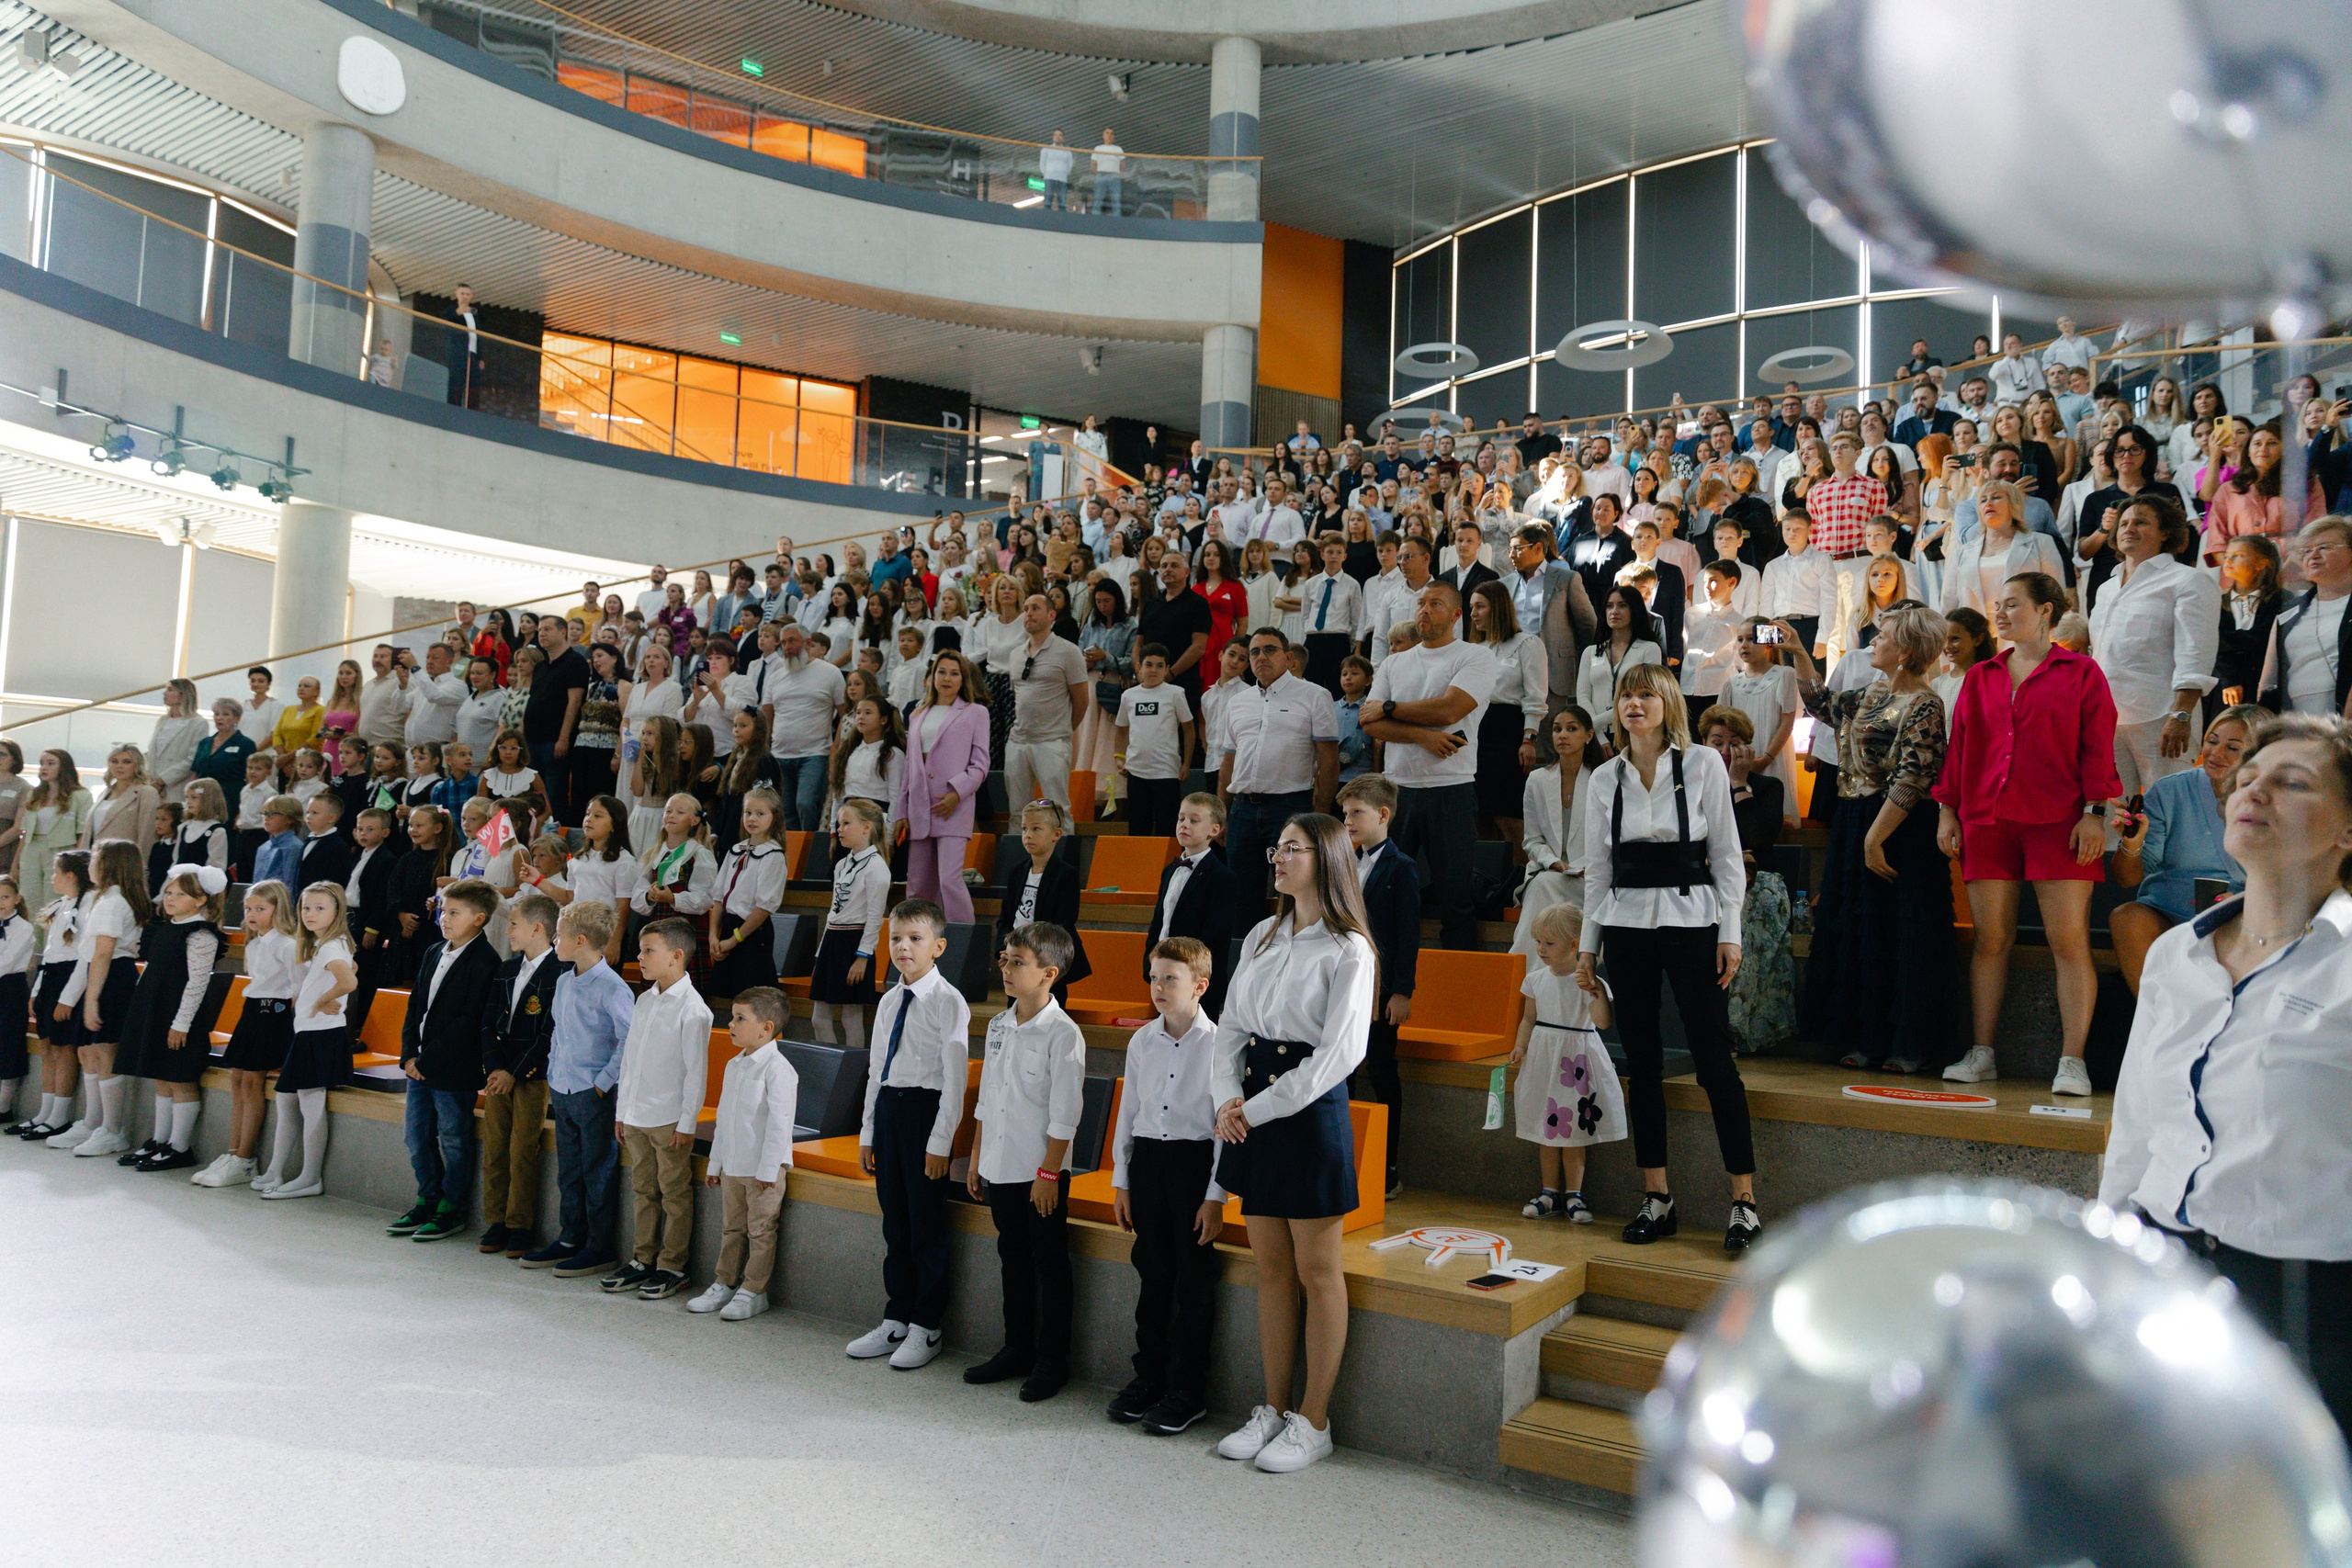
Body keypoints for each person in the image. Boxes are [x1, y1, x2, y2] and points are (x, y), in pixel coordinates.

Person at [2100, 712, 2352, 1438]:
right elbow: (2137, 1129)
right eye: (2248, 778)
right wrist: (2110, 1253)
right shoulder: (2176, 953)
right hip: (2163, 1274)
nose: (2254, 791)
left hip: (2304, 1300)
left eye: (2292, 781)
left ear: (2347, 830)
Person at [1209, 813, 1375, 1474]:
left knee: (1317, 1271)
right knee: (1272, 1269)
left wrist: (1253, 1109)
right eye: (1276, 847)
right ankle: (1274, 1408)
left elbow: (1339, 1053)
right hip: (1249, 1107)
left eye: (1292, 848)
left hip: (1305, 1112)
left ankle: (1315, 1418)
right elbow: (1229, 1026)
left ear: (1326, 858)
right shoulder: (1262, 933)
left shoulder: (1349, 948)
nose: (1276, 857)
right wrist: (1227, 1097)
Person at [1577, 664, 1759, 1252]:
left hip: (1693, 921)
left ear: (1668, 703)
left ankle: (1744, 1202)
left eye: (1645, 695)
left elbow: (1726, 856)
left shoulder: (1703, 763)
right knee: (1643, 1063)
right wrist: (1588, 945)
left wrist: (1730, 932)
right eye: (1625, 696)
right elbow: (1598, 869)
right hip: (1626, 924)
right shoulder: (1603, 777)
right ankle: (1656, 1197)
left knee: (1713, 1060)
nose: (1634, 705)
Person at [1934, 571, 2121, 1096]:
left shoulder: (2082, 671)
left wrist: (2094, 812)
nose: (2000, 613)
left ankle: (2072, 1061)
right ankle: (1982, 1053)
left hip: (2060, 820)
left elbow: (2098, 745)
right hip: (1987, 817)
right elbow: (1961, 746)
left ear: (2045, 611)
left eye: (2013, 604)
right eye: (1999, 605)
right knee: (1991, 940)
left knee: (2069, 941)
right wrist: (1947, 810)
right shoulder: (1981, 676)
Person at [1777, 605, 1954, 1071]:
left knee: (1900, 930)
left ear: (1907, 650)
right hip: (1855, 818)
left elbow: (1914, 776)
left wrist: (1874, 840)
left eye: (1883, 636)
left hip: (1899, 826)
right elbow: (1822, 706)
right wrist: (1799, 653)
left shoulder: (1925, 703)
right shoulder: (1873, 691)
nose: (1873, 642)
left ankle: (1907, 1044)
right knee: (1859, 930)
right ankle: (1864, 1036)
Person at [961, 920, 1087, 1403]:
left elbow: (1065, 1113)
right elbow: (988, 1098)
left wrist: (1049, 1173)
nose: (1006, 970)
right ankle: (1016, 1348)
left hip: (1040, 1173)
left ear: (1049, 973)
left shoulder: (1063, 1033)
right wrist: (976, 1158)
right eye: (1005, 961)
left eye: (1018, 963)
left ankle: (1053, 1360)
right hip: (999, 1165)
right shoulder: (998, 1024)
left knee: (1049, 1265)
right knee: (1011, 1259)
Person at [1105, 935, 1226, 1435]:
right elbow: (1129, 1112)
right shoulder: (1141, 1041)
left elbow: (1224, 1126)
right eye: (1153, 977)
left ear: (1200, 986)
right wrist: (1123, 1181)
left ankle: (1187, 1390)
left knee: (1193, 1281)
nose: (1157, 987)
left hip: (1194, 1165)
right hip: (1149, 1164)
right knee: (1152, 1274)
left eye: (1169, 979)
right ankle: (1148, 1377)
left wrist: (1215, 1196)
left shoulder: (1219, 1044)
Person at [849, 899, 972, 1371]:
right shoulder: (888, 1000)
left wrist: (940, 1143)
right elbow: (876, 1070)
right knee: (896, 1224)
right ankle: (897, 1317)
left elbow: (955, 1080)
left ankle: (927, 1325)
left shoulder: (948, 1001)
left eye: (915, 939)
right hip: (890, 1112)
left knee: (925, 1226)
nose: (903, 947)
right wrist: (868, 1132)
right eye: (895, 938)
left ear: (938, 946)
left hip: (926, 1113)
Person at [1362, 583, 1497, 951]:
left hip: (1450, 787)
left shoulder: (1475, 656)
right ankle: (1382, 975)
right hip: (1396, 789)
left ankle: (1458, 975)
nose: (1424, 609)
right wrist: (1423, 737)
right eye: (1420, 603)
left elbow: (1449, 709)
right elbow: (1369, 723)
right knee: (1383, 893)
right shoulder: (1394, 662)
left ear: (1456, 615)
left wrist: (1390, 708)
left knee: (1455, 896)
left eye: (1435, 604)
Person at [516, 897, 636, 1276]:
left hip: (592, 1093)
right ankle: (570, 1238)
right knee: (569, 1170)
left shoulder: (612, 987)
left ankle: (599, 1247)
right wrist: (554, 1073)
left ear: (580, 940)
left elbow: (629, 1040)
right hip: (563, 1089)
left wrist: (601, 1084)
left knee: (597, 1171)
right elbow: (558, 1033)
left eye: (559, 935)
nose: (554, 941)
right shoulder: (565, 980)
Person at [598, 916, 710, 1302]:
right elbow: (631, 1060)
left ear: (676, 956)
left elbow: (696, 1074)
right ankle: (642, 1259)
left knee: (674, 1193)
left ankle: (672, 1266)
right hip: (636, 1115)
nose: (640, 958)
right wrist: (621, 1112)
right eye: (640, 950)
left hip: (668, 1119)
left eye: (649, 951)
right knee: (643, 1189)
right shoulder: (644, 999)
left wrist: (687, 1123)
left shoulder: (693, 1010)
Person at [2109, 706, 2258, 992]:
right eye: (2212, 741)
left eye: (2232, 748)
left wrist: (2243, 903)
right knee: (2127, 918)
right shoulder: (2170, 791)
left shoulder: (2275, 801)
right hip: (2168, 916)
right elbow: (2126, 879)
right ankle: (2155, 1018)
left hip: (2240, 918)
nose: (2216, 753)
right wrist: (2132, 842)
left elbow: (2291, 882)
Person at [389, 876, 501, 1245]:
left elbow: (467, 1022)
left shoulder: (485, 961)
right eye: (443, 911)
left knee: (453, 1138)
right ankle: (428, 1198)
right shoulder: (434, 951)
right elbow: (415, 1006)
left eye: (454, 913)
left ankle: (452, 1207)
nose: (444, 919)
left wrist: (427, 1061)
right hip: (419, 1065)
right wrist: (409, 1054)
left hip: (453, 1070)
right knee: (415, 1136)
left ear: (479, 919)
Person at [688, 986, 799, 1323]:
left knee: (761, 1231)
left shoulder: (778, 1069)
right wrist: (716, 1163)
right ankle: (724, 1282)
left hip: (763, 1171)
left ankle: (754, 1290)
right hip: (733, 1167)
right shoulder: (734, 1065)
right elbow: (724, 1119)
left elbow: (780, 1124)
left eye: (740, 1018)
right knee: (732, 1229)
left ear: (766, 1028)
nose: (731, 1024)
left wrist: (767, 1170)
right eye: (733, 1017)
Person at [1510, 901, 1622, 1223]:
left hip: (1576, 1064)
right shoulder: (1535, 979)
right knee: (1547, 1131)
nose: (1541, 949)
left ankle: (1574, 1194)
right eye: (1538, 941)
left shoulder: (1587, 982)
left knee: (1573, 1132)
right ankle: (1549, 1193)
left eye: (1549, 942)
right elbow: (1528, 1019)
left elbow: (1602, 1022)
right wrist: (1520, 1045)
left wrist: (1596, 993)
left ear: (1574, 945)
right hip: (1545, 1060)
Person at [115, 863, 225, 1172]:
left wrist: (181, 1023)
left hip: (179, 1017)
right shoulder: (167, 928)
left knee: (180, 1079)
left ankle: (179, 1147)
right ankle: (160, 1141)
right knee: (162, 1077)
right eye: (168, 893)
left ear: (201, 899)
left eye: (180, 894)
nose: (170, 899)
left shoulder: (200, 934)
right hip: (157, 1011)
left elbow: (197, 983)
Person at [1337, 774, 1418, 1198]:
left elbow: (1408, 935)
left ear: (1383, 815)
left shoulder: (1402, 867)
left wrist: (1402, 991)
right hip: (1343, 986)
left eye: (1356, 813)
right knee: (1342, 1071)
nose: (1347, 821)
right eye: (1344, 813)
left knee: (1382, 1071)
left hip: (1381, 991)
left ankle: (1387, 1165)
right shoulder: (1343, 863)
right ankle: (1343, 1159)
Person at [186, 882, 298, 1187]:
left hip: (273, 1015)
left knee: (251, 1082)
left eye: (260, 908)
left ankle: (246, 1158)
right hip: (251, 1012)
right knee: (236, 1079)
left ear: (278, 909)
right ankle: (232, 1152)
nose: (252, 914)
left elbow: (297, 986)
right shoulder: (254, 944)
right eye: (248, 908)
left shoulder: (288, 944)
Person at [249, 882, 353, 1199]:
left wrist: (323, 999)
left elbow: (349, 979)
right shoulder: (328, 943)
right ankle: (276, 1169)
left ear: (336, 911)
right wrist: (324, 996)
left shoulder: (331, 946)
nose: (310, 914)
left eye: (320, 908)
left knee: (311, 1104)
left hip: (321, 1033)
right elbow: (353, 966)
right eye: (306, 907)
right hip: (310, 1031)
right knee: (286, 1098)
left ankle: (310, 1177)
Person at [1220, 628, 1340, 898]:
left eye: (1270, 650)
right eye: (1255, 652)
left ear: (1288, 657)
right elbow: (1228, 761)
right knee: (1240, 897)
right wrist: (1221, 813)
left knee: (1295, 895)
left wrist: (1320, 815)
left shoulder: (1314, 695)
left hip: (1291, 808)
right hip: (1242, 811)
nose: (1261, 657)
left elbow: (1329, 760)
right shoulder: (1237, 702)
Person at [49, 840, 146, 1161]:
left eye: (95, 859)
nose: (90, 864)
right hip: (102, 973)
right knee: (88, 1051)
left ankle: (113, 1129)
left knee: (105, 1052)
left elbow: (103, 952)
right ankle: (93, 1122)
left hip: (112, 976)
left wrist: (90, 1000)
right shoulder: (106, 899)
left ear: (109, 865)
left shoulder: (113, 902)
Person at [476, 891, 561, 1259]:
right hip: (499, 1075)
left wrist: (514, 1072)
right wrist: (495, 1067)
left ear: (537, 928)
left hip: (532, 1075)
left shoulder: (560, 971)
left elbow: (549, 1032)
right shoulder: (507, 968)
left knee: (523, 1150)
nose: (507, 930)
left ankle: (519, 1224)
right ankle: (496, 1219)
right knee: (495, 1147)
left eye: (513, 924)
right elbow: (488, 1022)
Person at [897, 650, 992, 927]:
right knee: (917, 885)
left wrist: (957, 793)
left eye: (954, 673)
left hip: (952, 805)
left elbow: (980, 764)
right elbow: (909, 767)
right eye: (941, 672)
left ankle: (964, 938)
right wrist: (901, 811)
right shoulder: (917, 714)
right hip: (919, 806)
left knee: (949, 879)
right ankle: (921, 938)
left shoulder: (976, 712)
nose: (947, 678)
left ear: (963, 679)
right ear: (932, 676)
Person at [1140, 793, 1237, 1018]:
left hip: (1196, 980)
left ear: (1214, 830)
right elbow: (1159, 922)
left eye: (1194, 820)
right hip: (1164, 973)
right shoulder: (1169, 871)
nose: (1184, 824)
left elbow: (1214, 936)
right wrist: (1150, 964)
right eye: (1181, 818)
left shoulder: (1222, 877)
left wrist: (1184, 971)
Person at [1002, 593, 1089, 813]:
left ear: (1051, 615)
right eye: (1026, 609)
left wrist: (1063, 730)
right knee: (1018, 810)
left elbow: (1082, 701)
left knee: (1054, 808)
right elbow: (1018, 697)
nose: (1029, 613)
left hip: (1052, 741)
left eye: (1035, 608)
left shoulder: (1068, 651)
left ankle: (1059, 840)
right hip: (1018, 741)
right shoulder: (1015, 654)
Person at [2259, 517, 2352, 716]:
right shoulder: (2288, 613)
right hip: (2294, 725)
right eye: (2307, 551)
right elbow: (2269, 682)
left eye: (2325, 547)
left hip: (2343, 724)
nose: (2313, 555)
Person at [762, 621, 847, 834]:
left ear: (808, 643)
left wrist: (836, 750)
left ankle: (811, 852)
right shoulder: (775, 676)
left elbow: (846, 716)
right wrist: (765, 751)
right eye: (783, 643)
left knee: (807, 805)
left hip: (815, 755)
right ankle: (793, 854)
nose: (787, 647)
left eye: (792, 641)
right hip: (780, 755)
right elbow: (767, 717)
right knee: (785, 812)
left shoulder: (831, 673)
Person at [1940, 479, 2069, 615]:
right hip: (1974, 626)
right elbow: (1949, 601)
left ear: (2014, 505)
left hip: (2025, 625)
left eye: (1996, 497)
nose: (1988, 503)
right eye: (1983, 500)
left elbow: (2056, 595)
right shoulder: (1961, 553)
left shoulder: (2041, 543)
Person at [708, 786, 787, 999]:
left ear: (774, 817)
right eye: (748, 812)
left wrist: (735, 940)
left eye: (760, 814)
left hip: (752, 933)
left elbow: (764, 907)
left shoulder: (773, 855)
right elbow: (719, 898)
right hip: (729, 928)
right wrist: (713, 935)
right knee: (728, 996)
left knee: (752, 998)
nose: (752, 819)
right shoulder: (735, 850)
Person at [1116, 645, 1196, 838]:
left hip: (1166, 772)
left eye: (1159, 665)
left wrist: (1186, 764)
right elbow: (1121, 729)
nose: (1153, 670)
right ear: (1139, 666)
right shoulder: (1128, 696)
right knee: (1137, 829)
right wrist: (1119, 757)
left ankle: (1169, 859)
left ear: (1167, 669)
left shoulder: (1175, 693)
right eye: (1149, 664)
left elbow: (1189, 729)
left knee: (1167, 829)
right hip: (1136, 771)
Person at [1576, 585, 1665, 750]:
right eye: (1610, 606)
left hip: (1633, 731)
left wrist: (1593, 725)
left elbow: (1644, 695)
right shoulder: (1591, 652)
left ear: (1635, 610)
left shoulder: (1649, 649)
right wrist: (1598, 735)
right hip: (1596, 736)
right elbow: (1583, 697)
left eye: (1622, 605)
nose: (1614, 611)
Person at [522, 617, 589, 825]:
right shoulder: (541, 667)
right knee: (533, 798)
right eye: (540, 630)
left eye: (547, 629)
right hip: (532, 741)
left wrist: (563, 738)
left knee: (555, 796)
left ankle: (559, 840)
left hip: (554, 741)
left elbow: (574, 702)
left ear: (563, 632)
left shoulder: (575, 662)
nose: (542, 634)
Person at [2211, 535, 2284, 718]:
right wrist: (2229, 679)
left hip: (2264, 685)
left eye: (2239, 555)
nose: (2229, 560)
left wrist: (2220, 638)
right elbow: (2210, 646)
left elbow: (2263, 639)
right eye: (2227, 555)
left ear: (2261, 563)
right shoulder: (2216, 602)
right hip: (2223, 688)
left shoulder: (2280, 600)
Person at [15, 748, 88, 890]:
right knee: (28, 893)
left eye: (50, 763)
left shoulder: (80, 795)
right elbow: (24, 831)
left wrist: (77, 861)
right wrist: (15, 862)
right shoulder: (34, 794)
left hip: (61, 849)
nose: (44, 768)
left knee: (55, 892)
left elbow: (83, 833)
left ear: (64, 767)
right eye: (42, 763)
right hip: (31, 848)